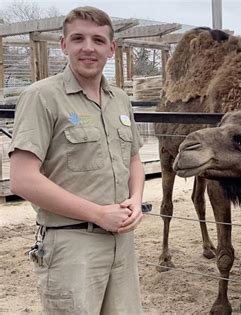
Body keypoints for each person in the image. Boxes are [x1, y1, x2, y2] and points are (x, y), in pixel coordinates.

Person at [9, 6, 144, 314]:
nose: (88, 47)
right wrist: (97, 213)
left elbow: (134, 158)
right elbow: (23, 178)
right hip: (71, 245)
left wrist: (135, 200)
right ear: (63, 45)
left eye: (98, 40)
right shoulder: (41, 97)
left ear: (111, 49)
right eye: (78, 38)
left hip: (121, 243)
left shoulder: (120, 100)